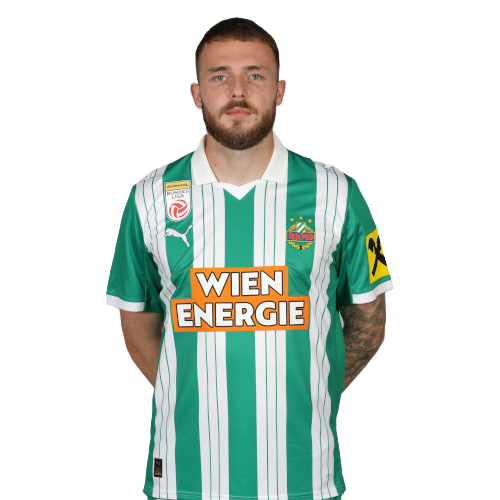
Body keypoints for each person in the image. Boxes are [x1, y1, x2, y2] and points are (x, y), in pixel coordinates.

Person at [105, 17, 394, 500]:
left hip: (303, 475)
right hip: (185, 477)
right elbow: (137, 324)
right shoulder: (149, 200)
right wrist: (194, 390)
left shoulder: (338, 194)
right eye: (219, 75)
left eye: (255, 75)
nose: (237, 91)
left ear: (280, 90)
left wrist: (309, 391)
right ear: (196, 93)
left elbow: (369, 320)